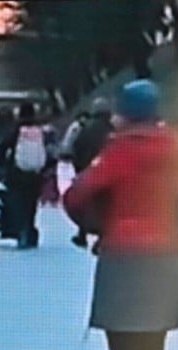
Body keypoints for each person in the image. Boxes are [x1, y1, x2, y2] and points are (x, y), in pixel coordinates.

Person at [64, 80, 178, 350]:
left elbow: (76, 194)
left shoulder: (120, 151)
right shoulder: (176, 148)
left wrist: (93, 223)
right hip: (167, 253)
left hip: (123, 255)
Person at [0, 103, 50, 248]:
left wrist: (2, 166)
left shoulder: (16, 130)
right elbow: (48, 152)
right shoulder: (40, 131)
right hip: (35, 176)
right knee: (31, 205)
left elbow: (1, 148)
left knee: (15, 202)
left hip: (16, 175)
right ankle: (29, 231)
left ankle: (14, 227)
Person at [65, 103, 113, 248]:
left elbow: (77, 146)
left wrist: (78, 168)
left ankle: (82, 233)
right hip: (108, 171)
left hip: (87, 170)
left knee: (86, 203)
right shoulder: (112, 130)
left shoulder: (86, 128)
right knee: (107, 205)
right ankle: (103, 236)